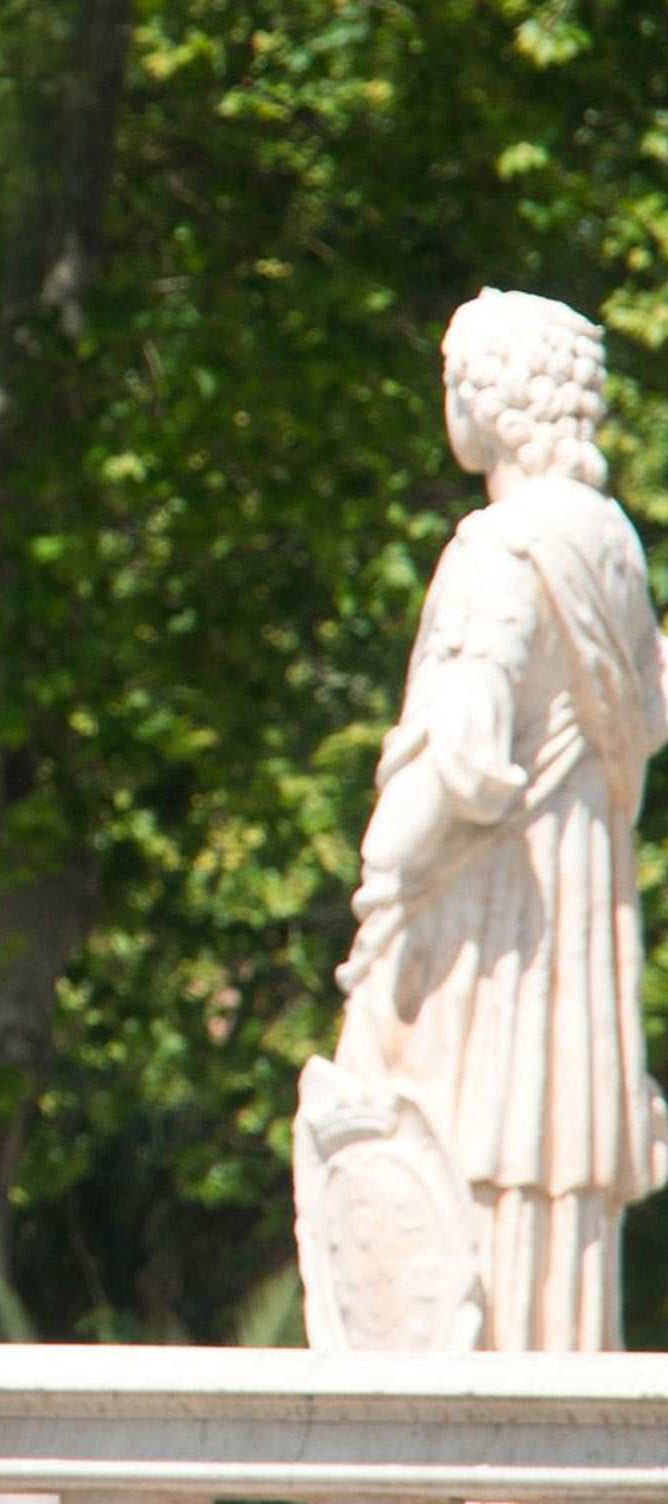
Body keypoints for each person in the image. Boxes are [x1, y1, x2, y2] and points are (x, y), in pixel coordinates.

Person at [332, 289, 668, 1348]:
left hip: (491, 934)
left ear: (487, 394)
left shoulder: (499, 548)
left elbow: (466, 749)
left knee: (468, 1155)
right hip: (578, 917)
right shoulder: (608, 543)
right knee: (548, 1162)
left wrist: (386, 861)